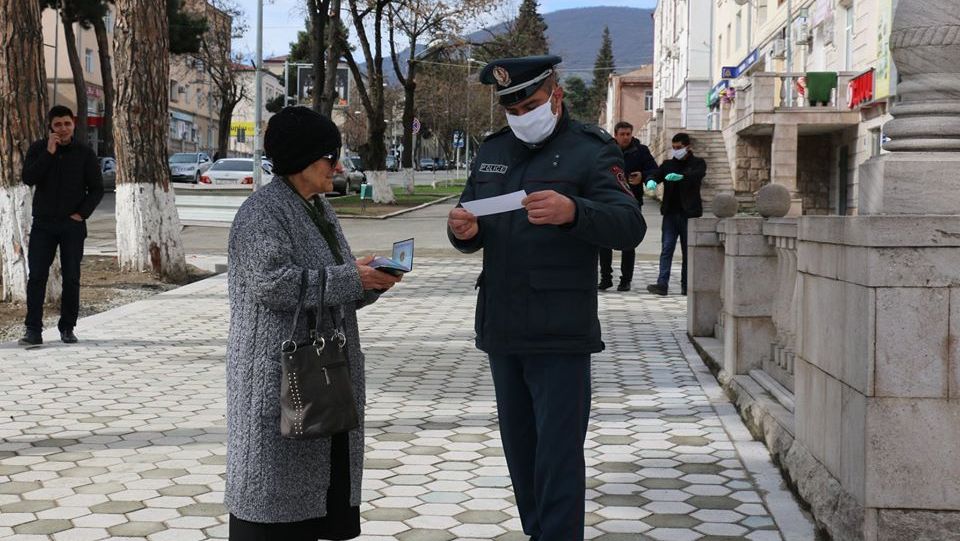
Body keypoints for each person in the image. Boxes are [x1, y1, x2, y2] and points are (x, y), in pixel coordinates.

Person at [447, 55, 645, 541]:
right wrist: (462, 232)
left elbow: (630, 226)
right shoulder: (493, 150)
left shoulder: (591, 151)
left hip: (560, 333)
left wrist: (573, 210)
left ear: (556, 96)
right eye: (511, 109)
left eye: (530, 104)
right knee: (521, 457)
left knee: (556, 461)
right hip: (502, 327)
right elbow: (473, 222)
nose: (521, 116)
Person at [225, 106, 401, 541]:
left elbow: (329, 281)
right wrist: (349, 277)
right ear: (303, 159)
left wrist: (368, 281)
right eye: (330, 157)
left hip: (323, 376)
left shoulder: (317, 206)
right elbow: (273, 285)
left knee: (318, 498)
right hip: (281, 379)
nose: (338, 167)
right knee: (272, 504)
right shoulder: (261, 213)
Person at [19, 105, 103, 347]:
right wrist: (49, 153)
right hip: (43, 225)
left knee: (72, 277)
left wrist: (81, 214)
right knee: (36, 276)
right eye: (58, 125)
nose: (63, 129)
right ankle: (33, 329)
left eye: (67, 124)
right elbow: (28, 178)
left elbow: (96, 189)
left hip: (72, 226)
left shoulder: (84, 153)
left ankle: (67, 327)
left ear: (73, 124)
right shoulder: (38, 149)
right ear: (50, 127)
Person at [598, 121, 657, 292]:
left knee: (628, 241)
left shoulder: (641, 150)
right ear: (615, 135)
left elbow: (653, 169)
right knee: (604, 240)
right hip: (607, 201)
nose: (625, 137)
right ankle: (606, 278)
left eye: (628, 134)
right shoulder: (605, 150)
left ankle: (626, 280)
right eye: (622, 134)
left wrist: (644, 176)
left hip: (632, 202)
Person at [645, 132, 706, 296]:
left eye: (679, 148)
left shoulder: (698, 163)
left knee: (688, 252)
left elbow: (697, 175)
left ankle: (686, 285)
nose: (676, 150)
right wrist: (650, 179)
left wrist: (682, 176)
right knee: (667, 249)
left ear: (687, 147)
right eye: (673, 147)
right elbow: (656, 174)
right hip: (671, 214)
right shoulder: (668, 165)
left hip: (689, 214)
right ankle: (662, 284)